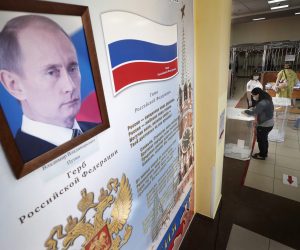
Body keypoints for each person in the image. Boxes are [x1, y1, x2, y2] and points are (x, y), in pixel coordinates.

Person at [0, 15, 97, 162]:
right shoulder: (19, 163)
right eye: (51, 72)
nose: (70, 86)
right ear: (14, 84)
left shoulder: (99, 130)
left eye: (73, 68)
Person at [244, 88, 274, 160]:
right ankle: (264, 153)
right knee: (264, 139)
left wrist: (245, 111)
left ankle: (262, 155)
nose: (253, 97)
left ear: (258, 94)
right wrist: (254, 108)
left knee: (261, 140)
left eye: (253, 96)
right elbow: (259, 109)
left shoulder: (262, 102)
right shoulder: (267, 98)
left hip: (264, 125)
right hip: (270, 123)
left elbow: (253, 112)